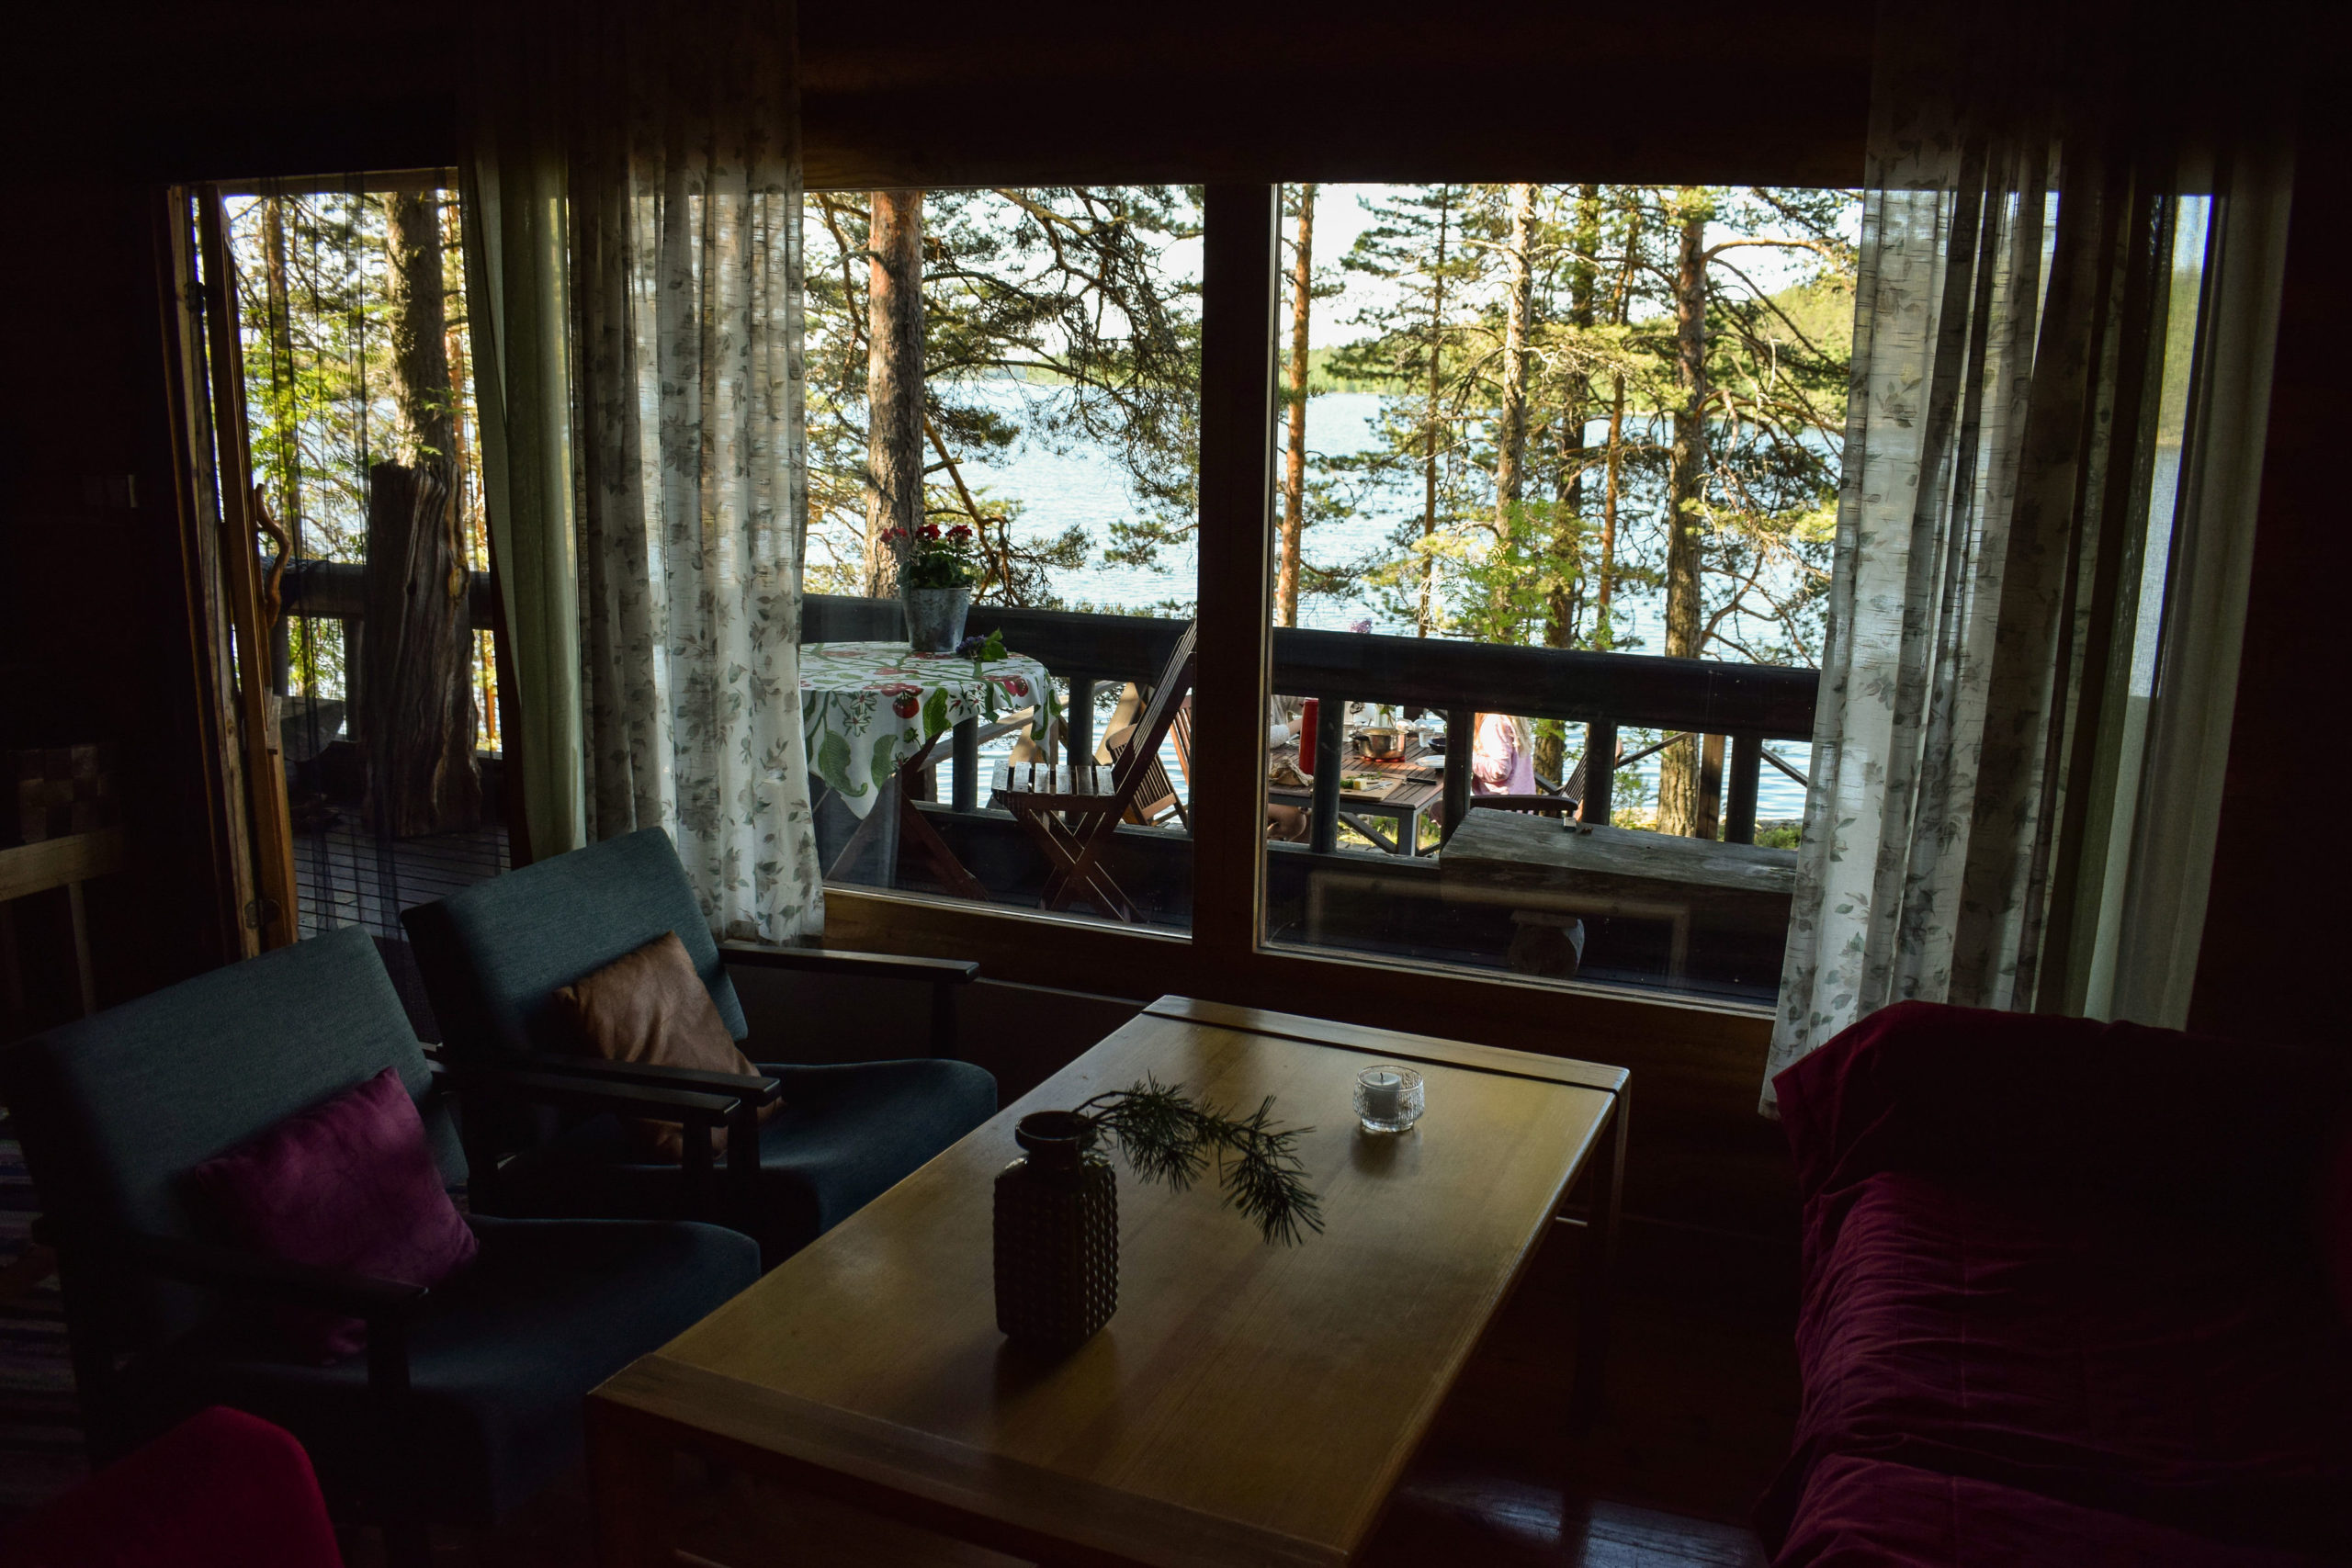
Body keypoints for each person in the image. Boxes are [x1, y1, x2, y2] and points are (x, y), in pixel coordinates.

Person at [1471, 711, 1537, 796]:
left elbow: (1500, 770)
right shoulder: (1512, 720)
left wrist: (1469, 757)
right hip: (1522, 805)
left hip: (1499, 805)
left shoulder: (1494, 721)